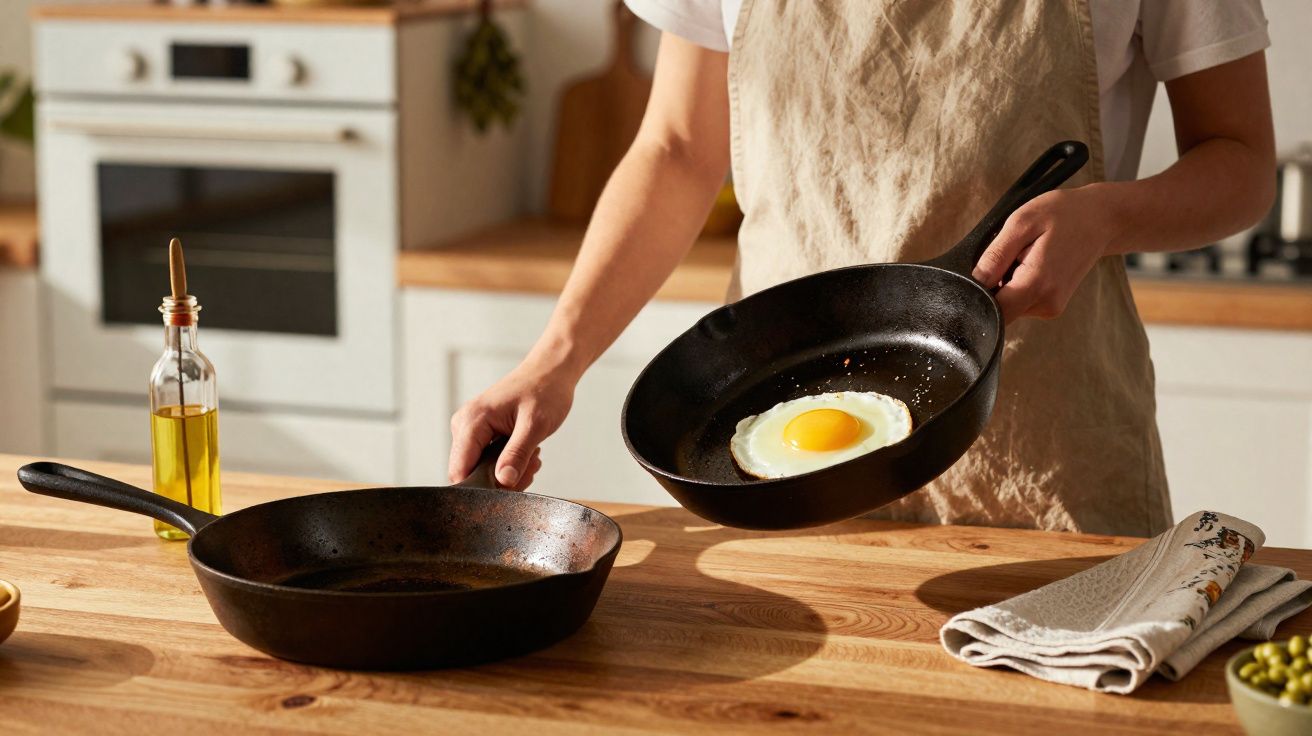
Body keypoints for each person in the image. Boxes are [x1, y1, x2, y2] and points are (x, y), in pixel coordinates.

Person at [448, 0, 1276, 536]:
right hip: (779, 474)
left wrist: (1106, 215)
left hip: (1050, 456)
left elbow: (1239, 160)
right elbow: (675, 152)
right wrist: (552, 364)